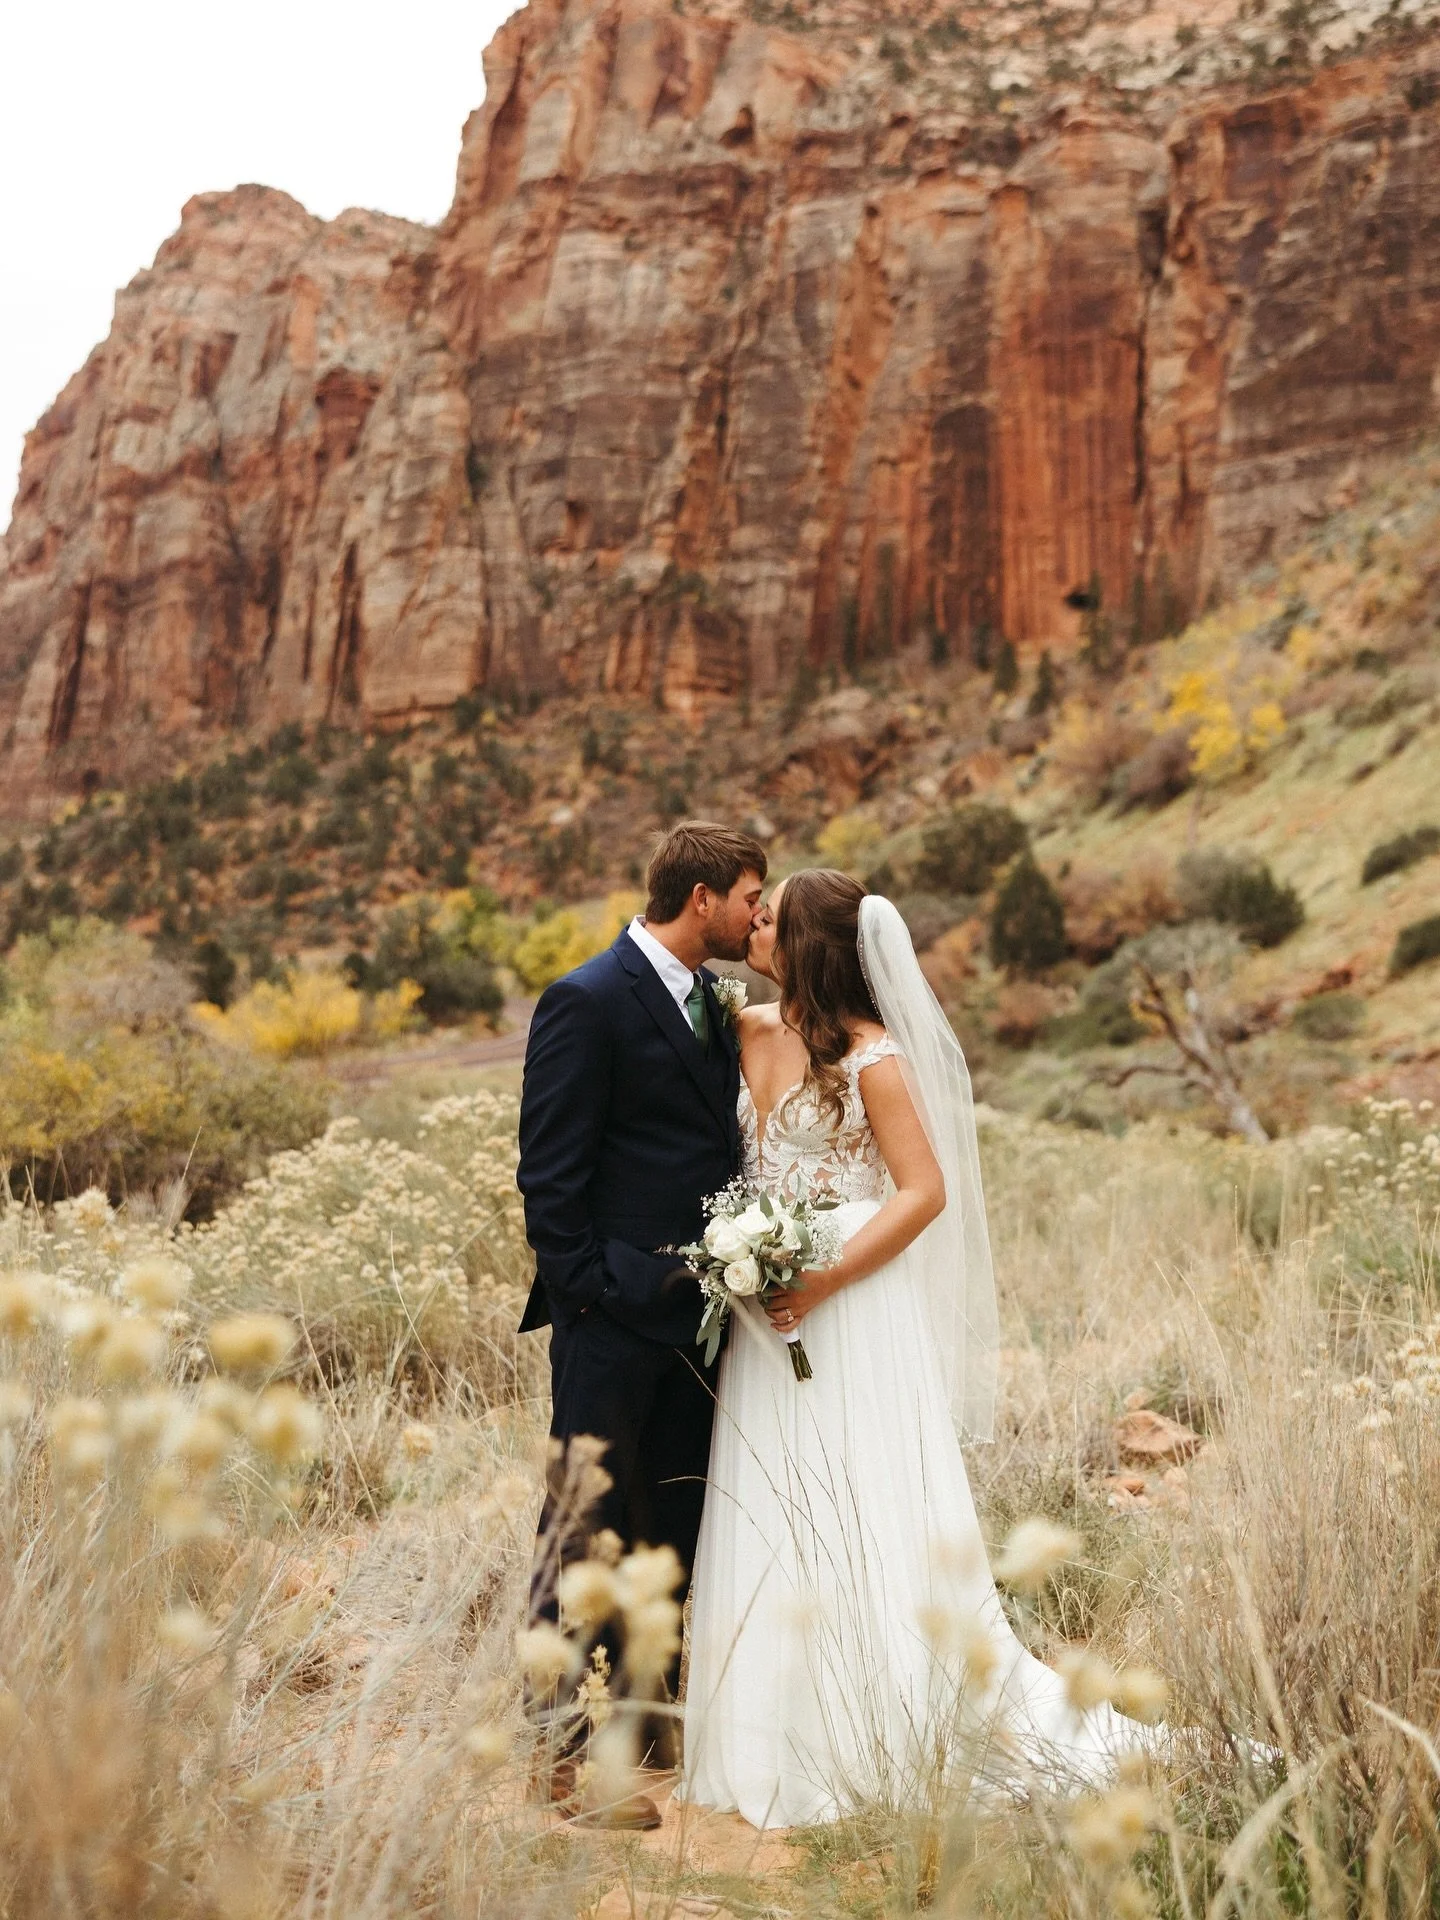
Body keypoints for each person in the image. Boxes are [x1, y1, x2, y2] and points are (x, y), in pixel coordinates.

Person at [680, 870, 1148, 1829]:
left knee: (862, 1494)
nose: (755, 926)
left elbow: (922, 1191)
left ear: (813, 945)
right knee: (771, 1502)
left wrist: (822, 1276)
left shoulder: (871, 1057)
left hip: (849, 1309)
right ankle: (769, 1730)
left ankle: (873, 1722)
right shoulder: (748, 1029)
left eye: (772, 919)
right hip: (763, 1317)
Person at [516, 820, 767, 1829]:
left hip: (699, 1325)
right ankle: (555, 1754)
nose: (759, 912)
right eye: (751, 894)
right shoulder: (584, 999)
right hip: (613, 1321)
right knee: (584, 1531)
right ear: (701, 898)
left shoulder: (714, 999)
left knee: (669, 1526)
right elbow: (549, 1176)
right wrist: (601, 1291)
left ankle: (642, 1718)